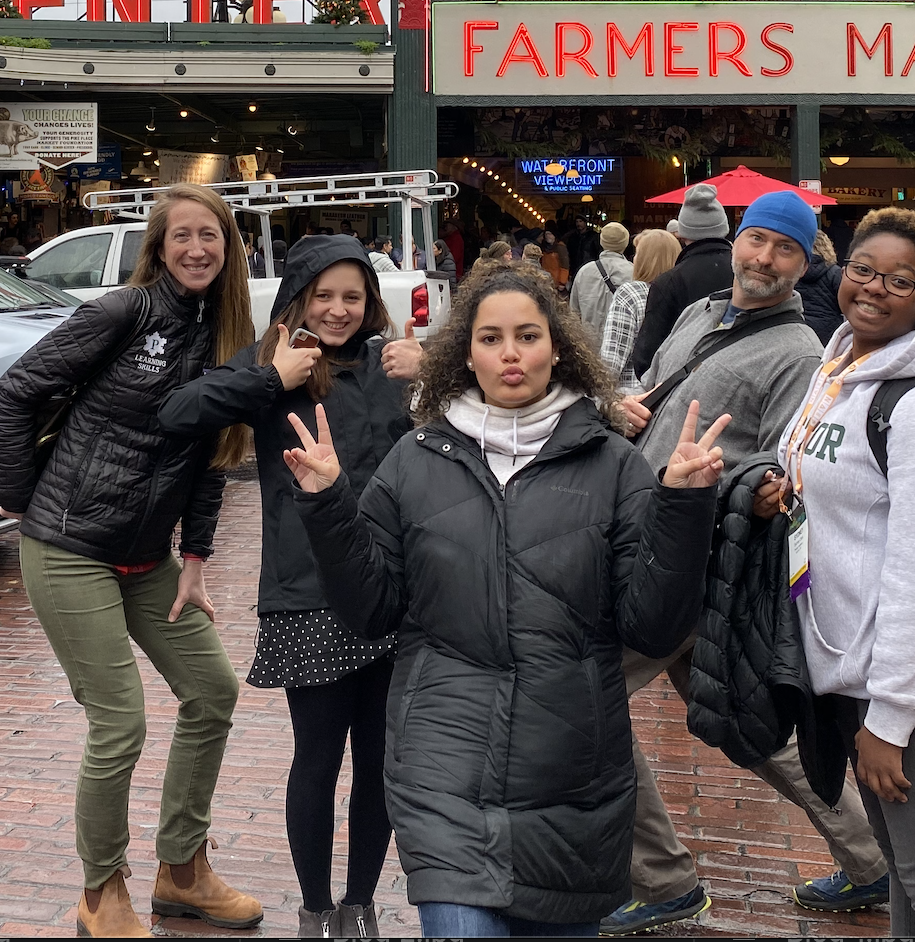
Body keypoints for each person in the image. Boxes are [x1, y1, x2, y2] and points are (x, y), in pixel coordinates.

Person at [287, 264, 724, 937]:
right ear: (467, 353)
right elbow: (370, 611)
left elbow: (652, 623)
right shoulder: (414, 462)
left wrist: (685, 507)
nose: (511, 353)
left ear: (557, 347)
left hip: (573, 777)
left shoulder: (613, 465)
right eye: (491, 338)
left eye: (527, 335)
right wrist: (328, 508)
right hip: (445, 767)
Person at [609, 191, 889, 930]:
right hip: (649, 543)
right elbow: (660, 395)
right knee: (750, 726)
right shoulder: (701, 314)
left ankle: (663, 877)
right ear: (736, 241)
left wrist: (753, 485)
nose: (764, 258)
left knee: (585, 698)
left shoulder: (797, 354)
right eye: (757, 240)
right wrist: (629, 405)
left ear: (806, 263)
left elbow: (784, 463)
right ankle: (874, 863)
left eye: (784, 249)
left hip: (698, 561)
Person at [0, 183, 261, 937]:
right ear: (159, 246)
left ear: (229, 246)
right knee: (120, 723)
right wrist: (17, 494)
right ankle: (101, 892)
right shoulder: (122, 312)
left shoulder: (227, 336)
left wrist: (198, 559)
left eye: (211, 235)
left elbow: (215, 458)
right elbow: (16, 391)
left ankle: (183, 871)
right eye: (183, 236)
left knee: (212, 690)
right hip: (70, 548)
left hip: (148, 560)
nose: (197, 249)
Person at [755, 208, 915, 937]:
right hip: (864, 663)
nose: (874, 288)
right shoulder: (839, 367)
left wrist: (892, 720)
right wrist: (782, 491)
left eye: (902, 281)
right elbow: (831, 480)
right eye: (864, 269)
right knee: (908, 880)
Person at [160, 237, 409, 938]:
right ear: (298, 299)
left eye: (352, 297)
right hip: (308, 593)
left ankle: (360, 905)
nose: (337, 310)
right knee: (319, 757)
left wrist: (434, 368)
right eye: (323, 296)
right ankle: (316, 909)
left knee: (381, 760)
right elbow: (180, 412)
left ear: (371, 305)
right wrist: (269, 378)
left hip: (391, 589)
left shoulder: (393, 365)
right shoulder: (274, 365)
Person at [628, 184, 734, 380]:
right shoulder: (747, 275)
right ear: (724, 228)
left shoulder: (668, 282)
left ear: (683, 232)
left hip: (681, 390)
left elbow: (646, 359)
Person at [601, 229, 679, 389]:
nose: (634, 259)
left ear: (646, 260)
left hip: (632, 396)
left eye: (637, 254)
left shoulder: (630, 293)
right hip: (670, 394)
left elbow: (612, 358)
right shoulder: (681, 293)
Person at [570, 222, 634, 339]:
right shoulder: (634, 272)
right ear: (625, 243)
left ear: (601, 242)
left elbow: (574, 313)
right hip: (621, 345)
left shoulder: (584, 272)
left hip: (590, 346)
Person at [798, 227, 846, 347]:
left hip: (800, 330)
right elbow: (845, 306)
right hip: (829, 333)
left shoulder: (793, 271)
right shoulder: (835, 273)